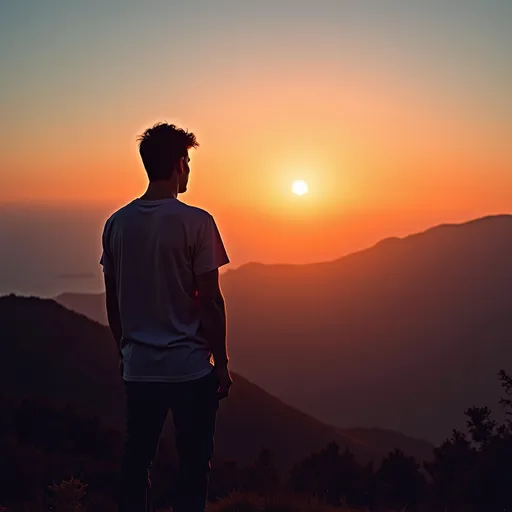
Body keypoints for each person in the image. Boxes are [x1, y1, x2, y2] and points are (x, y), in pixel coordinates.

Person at [100, 122, 231, 512]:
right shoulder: (197, 222)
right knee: (193, 467)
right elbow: (210, 301)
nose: (189, 169)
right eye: (187, 161)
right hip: (190, 369)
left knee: (136, 461)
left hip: (139, 368)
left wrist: (125, 351)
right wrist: (221, 363)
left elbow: (114, 302)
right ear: (178, 164)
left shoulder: (116, 224)